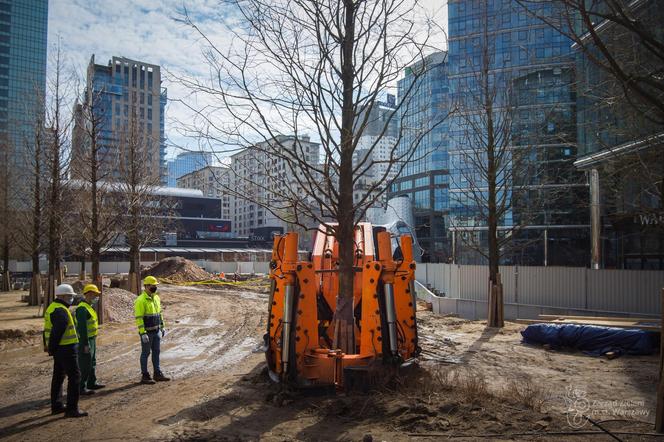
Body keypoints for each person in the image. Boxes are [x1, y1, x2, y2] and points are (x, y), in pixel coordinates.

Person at [43, 284, 88, 418]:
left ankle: (56, 406)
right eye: (69, 296)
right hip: (66, 348)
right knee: (75, 376)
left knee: (58, 376)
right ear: (61, 296)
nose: (71, 299)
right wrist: (52, 348)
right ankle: (72, 409)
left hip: (60, 349)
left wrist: (52, 349)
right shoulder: (60, 310)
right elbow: (57, 331)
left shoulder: (55, 307)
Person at [134, 276, 170, 384]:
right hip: (147, 333)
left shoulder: (156, 298)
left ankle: (157, 373)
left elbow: (159, 313)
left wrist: (162, 326)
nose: (155, 287)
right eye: (153, 285)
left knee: (156, 352)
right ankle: (145, 375)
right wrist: (142, 333)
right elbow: (139, 318)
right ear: (146, 286)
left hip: (156, 331)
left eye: (155, 285)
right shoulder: (140, 300)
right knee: (145, 353)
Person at [76, 284, 106, 395]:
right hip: (85, 340)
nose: (97, 297)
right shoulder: (82, 309)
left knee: (92, 361)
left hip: (92, 339)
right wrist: (85, 343)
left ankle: (91, 382)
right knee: (85, 363)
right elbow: (82, 328)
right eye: (95, 294)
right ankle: (81, 386)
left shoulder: (89, 307)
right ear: (89, 294)